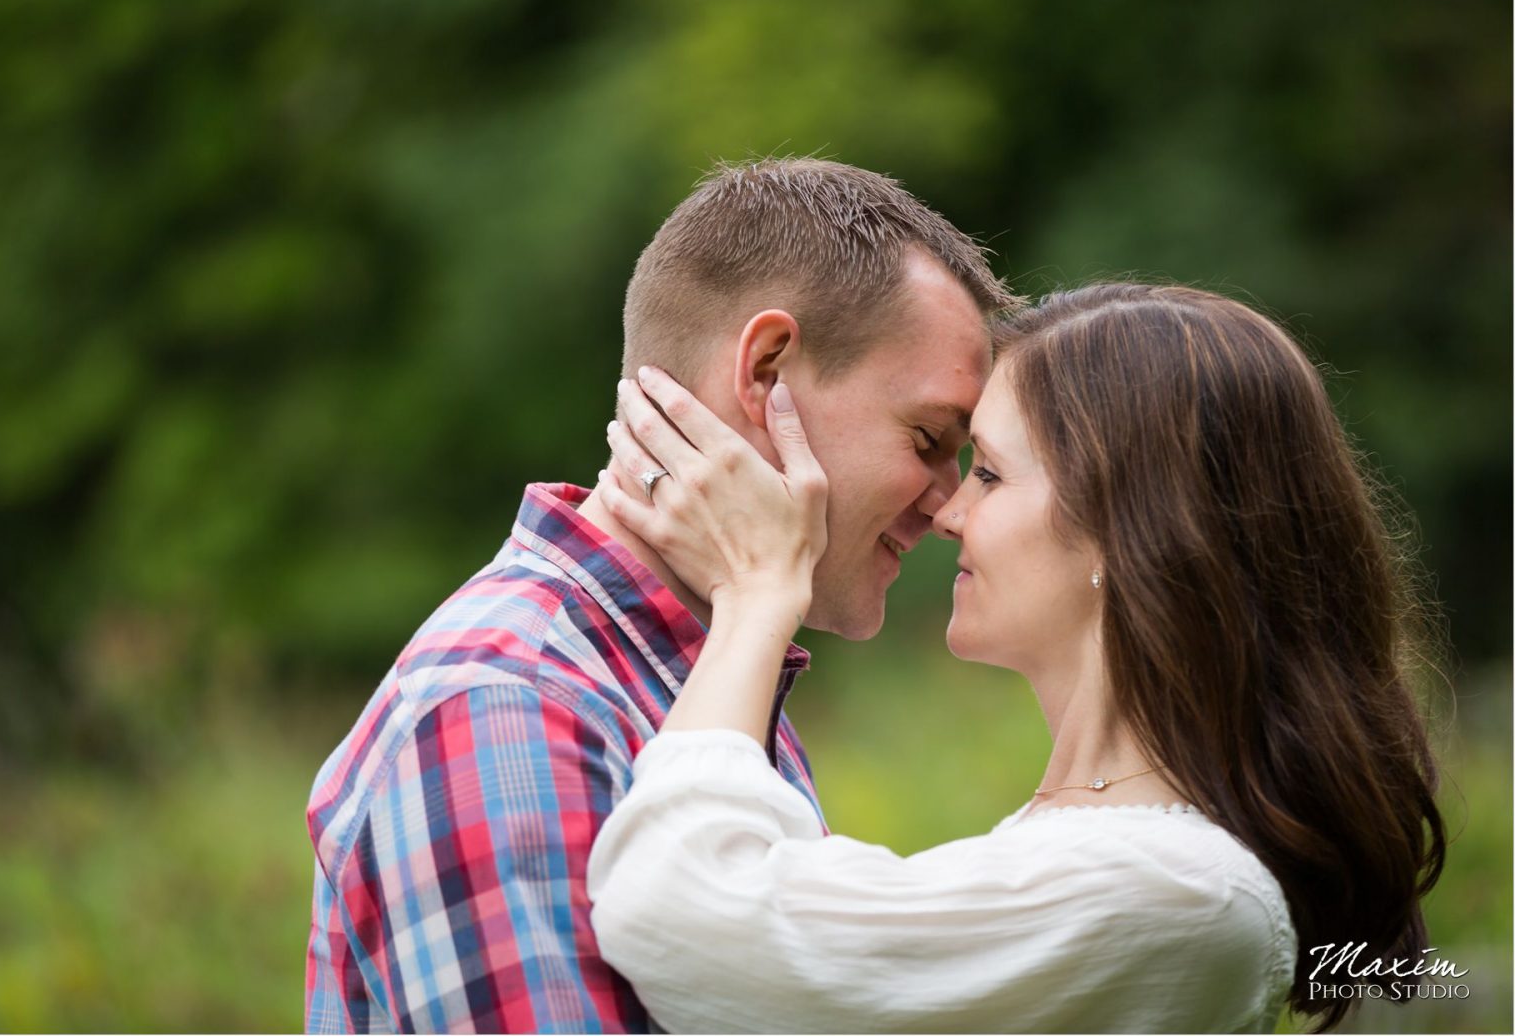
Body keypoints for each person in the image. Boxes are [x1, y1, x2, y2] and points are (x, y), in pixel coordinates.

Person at [586, 284, 1446, 1034]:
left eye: (990, 474)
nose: (948, 512)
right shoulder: (1107, 855)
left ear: (1127, 525)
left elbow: (680, 910)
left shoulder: (1169, 894)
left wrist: (757, 594)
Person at [303, 158, 1021, 1032]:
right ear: (766, 373)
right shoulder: (509, 709)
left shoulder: (696, 683)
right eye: (927, 437)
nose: (950, 504)